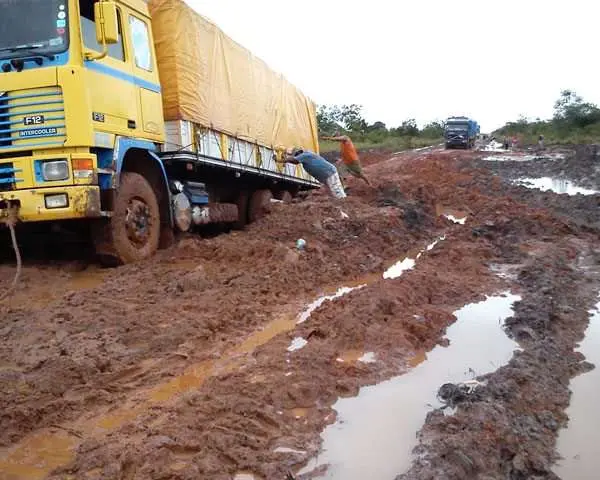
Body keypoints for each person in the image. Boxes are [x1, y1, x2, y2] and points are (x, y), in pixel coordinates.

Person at [278, 147, 346, 199]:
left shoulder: (305, 155)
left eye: (296, 155)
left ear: (298, 153)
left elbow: (294, 160)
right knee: (331, 193)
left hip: (329, 173)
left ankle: (344, 202)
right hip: (327, 175)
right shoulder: (306, 157)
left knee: (336, 191)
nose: (296, 157)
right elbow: (295, 161)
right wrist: (286, 159)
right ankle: (339, 205)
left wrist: (280, 160)